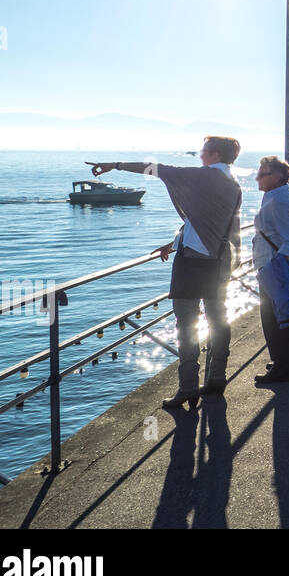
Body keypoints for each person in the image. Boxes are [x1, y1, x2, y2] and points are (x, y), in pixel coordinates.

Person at [88, 136, 242, 408]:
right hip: (219, 260)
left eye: (204, 151)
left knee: (186, 324)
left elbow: (155, 169)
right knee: (218, 320)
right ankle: (217, 378)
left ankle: (188, 388)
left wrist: (115, 165)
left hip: (193, 263)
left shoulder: (203, 177)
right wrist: (174, 242)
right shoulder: (232, 183)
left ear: (215, 154)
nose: (201, 156)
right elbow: (208, 222)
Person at [252, 156, 289, 385]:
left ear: (278, 177)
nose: (257, 177)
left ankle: (283, 368)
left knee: (275, 319)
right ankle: (287, 363)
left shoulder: (279, 200)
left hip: (274, 268)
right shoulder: (275, 196)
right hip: (272, 266)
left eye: (262, 173)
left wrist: (280, 269)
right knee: (284, 317)